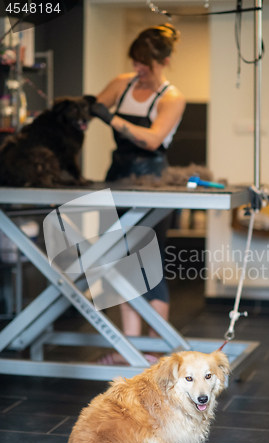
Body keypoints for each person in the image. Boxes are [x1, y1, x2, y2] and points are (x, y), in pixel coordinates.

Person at [90, 24, 185, 354]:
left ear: (164, 61)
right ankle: (128, 347)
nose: (139, 69)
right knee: (120, 260)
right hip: (117, 176)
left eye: (146, 63)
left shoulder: (172, 97)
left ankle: (156, 349)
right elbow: (90, 110)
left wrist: (112, 119)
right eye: (136, 61)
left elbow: (153, 138)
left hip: (152, 182)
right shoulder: (122, 83)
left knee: (149, 261)